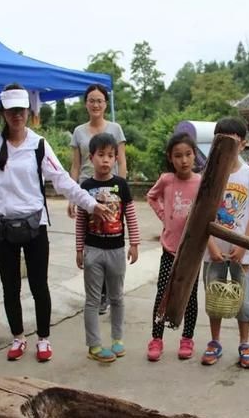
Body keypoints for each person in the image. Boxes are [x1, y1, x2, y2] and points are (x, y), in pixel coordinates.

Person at [0, 84, 112, 363]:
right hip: (3, 228)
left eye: (21, 110)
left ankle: (43, 338)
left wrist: (90, 204)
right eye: (11, 111)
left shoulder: (38, 144)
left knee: (39, 285)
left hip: (35, 227)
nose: (17, 115)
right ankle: (18, 337)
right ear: (4, 113)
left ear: (28, 112)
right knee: (10, 287)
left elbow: (63, 180)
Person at [200, 117, 249, 369]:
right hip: (213, 250)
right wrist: (211, 246)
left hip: (242, 253)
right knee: (214, 296)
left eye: (233, 142)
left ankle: (245, 343)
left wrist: (244, 245)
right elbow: (202, 213)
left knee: (243, 299)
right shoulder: (209, 173)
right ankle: (215, 341)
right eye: (221, 141)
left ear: (243, 145)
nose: (227, 147)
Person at [75, 133, 140, 362]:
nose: (105, 160)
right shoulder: (85, 186)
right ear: (91, 157)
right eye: (100, 155)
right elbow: (81, 221)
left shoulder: (120, 185)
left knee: (117, 297)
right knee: (92, 300)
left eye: (110, 155)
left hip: (116, 250)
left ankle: (117, 339)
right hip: (93, 251)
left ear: (115, 158)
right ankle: (94, 345)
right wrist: (79, 250)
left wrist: (135, 243)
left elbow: (130, 216)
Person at [69, 84, 128, 314]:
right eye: (91, 100)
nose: (95, 104)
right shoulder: (78, 132)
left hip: (111, 191)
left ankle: (109, 292)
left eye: (100, 100)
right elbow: (75, 165)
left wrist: (120, 189)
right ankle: (96, 292)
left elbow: (121, 161)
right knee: (89, 238)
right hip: (86, 191)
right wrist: (73, 196)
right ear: (86, 103)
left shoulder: (115, 129)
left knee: (110, 236)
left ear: (105, 104)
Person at [146, 132, 202, 361]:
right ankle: (156, 339)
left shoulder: (201, 182)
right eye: (178, 156)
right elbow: (151, 196)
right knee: (163, 294)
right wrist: (165, 216)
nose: (184, 160)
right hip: (169, 248)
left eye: (188, 154)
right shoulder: (167, 180)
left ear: (195, 155)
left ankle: (187, 339)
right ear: (170, 158)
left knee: (190, 296)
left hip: (192, 252)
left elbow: (212, 206)